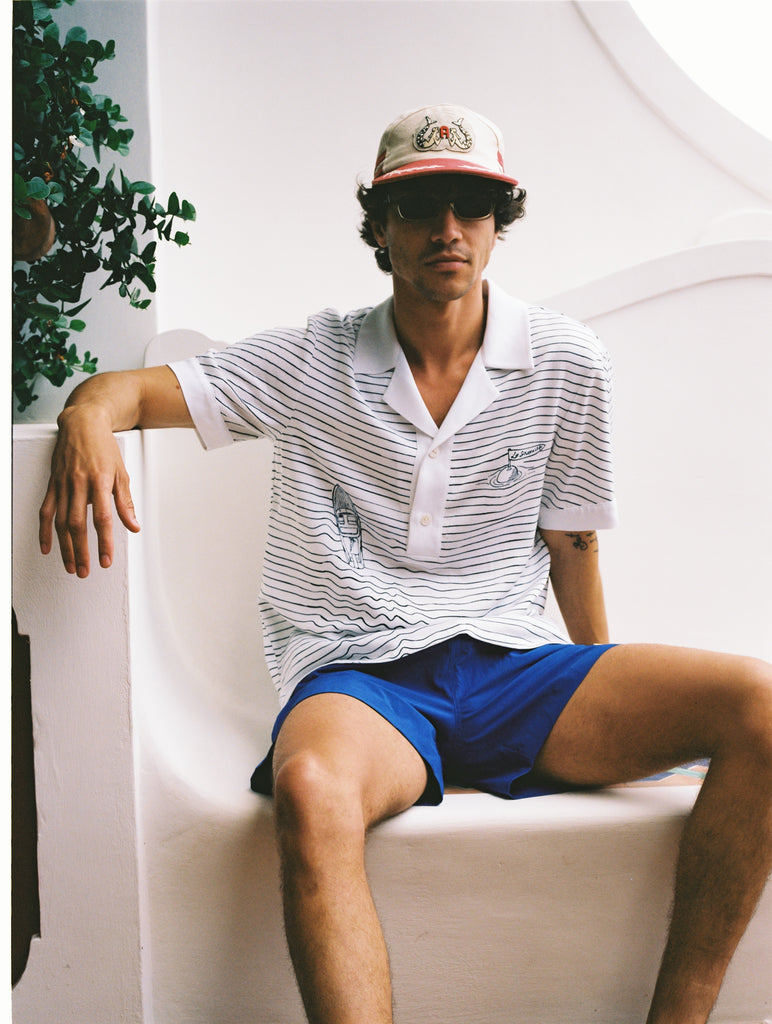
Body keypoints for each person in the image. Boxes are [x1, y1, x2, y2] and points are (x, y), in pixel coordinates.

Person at [39, 104, 772, 1024]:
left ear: (500, 222)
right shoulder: (314, 358)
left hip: (517, 668)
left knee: (761, 702)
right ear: (381, 227)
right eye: (421, 207)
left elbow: (572, 545)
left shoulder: (567, 362)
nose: (448, 229)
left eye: (472, 204)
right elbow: (126, 392)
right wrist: (83, 417)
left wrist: (603, 687)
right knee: (309, 788)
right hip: (364, 680)